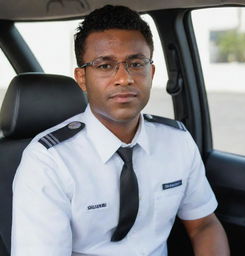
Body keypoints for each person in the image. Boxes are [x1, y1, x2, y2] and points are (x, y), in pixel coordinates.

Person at [11, 5, 230, 256]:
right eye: (105, 66)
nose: (124, 78)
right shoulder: (49, 161)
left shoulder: (176, 142)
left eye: (136, 63)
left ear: (152, 72)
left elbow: (203, 224)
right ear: (82, 78)